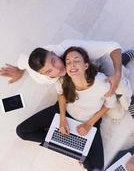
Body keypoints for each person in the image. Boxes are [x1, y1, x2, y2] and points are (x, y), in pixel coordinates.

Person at [17, 47, 119, 171]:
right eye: (68, 62)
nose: (70, 65)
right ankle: (68, 144)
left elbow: (110, 104)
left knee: (96, 169)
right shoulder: (62, 77)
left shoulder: (102, 83)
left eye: (76, 61)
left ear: (86, 65)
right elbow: (61, 94)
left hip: (89, 120)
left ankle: (74, 146)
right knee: (22, 131)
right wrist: (62, 119)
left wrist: (88, 124)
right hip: (64, 111)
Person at [0, 40, 134, 117]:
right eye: (49, 71)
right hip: (86, 79)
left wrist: (116, 74)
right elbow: (23, 59)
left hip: (98, 63)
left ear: (53, 54)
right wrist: (19, 71)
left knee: (119, 82)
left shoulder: (70, 46)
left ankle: (125, 59)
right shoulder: (40, 78)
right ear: (44, 75)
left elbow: (113, 46)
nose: (57, 70)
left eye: (54, 62)